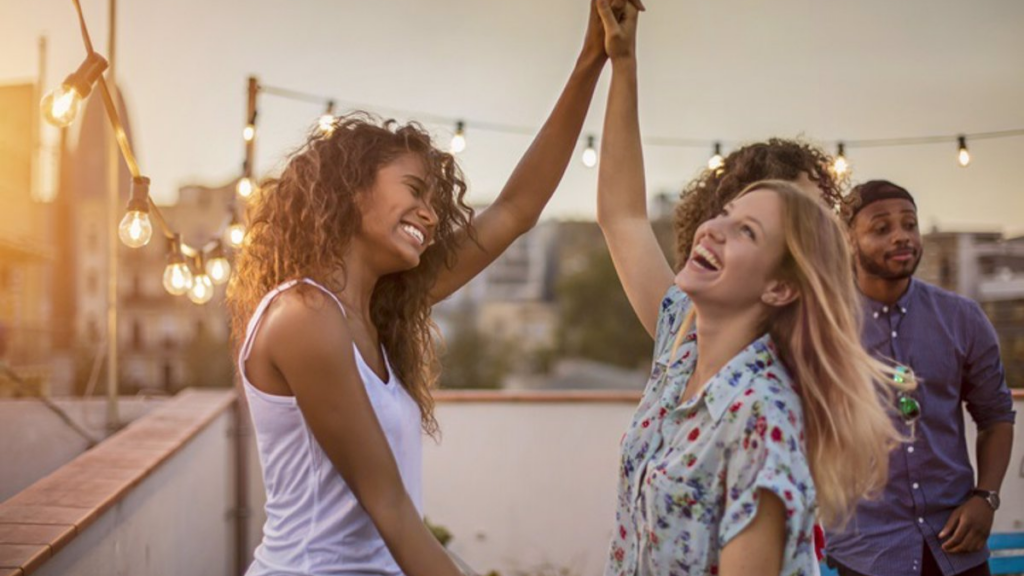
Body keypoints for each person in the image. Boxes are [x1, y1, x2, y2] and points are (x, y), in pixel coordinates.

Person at [225, 2, 643, 574]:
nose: (428, 214)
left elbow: (516, 210)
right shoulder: (303, 316)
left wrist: (594, 59)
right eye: (414, 191)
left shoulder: (374, 310)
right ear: (350, 190)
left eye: (432, 202)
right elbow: (391, 511)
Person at [594, 3, 908, 574]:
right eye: (728, 214)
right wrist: (623, 63)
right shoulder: (680, 335)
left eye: (748, 229)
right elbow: (622, 216)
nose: (714, 228)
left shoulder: (763, 416)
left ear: (784, 286)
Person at [824, 180, 1017, 576]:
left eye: (909, 225)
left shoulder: (962, 318)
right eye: (881, 228)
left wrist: (987, 497)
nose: (901, 237)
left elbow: (996, 415)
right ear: (848, 239)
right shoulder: (825, 326)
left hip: (957, 545)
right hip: (866, 552)